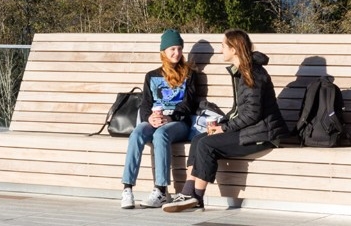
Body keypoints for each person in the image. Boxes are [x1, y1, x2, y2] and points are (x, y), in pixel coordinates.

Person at [163, 29, 286, 213]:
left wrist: (225, 128)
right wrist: (221, 124)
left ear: (234, 49)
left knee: (206, 145)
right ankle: (188, 192)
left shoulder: (252, 73)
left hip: (263, 134)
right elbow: (239, 110)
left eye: (223, 46)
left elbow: (253, 114)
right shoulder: (242, 71)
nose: (221, 50)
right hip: (250, 129)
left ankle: (197, 198)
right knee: (198, 139)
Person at [120, 29, 207, 209]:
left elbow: (188, 105)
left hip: (178, 122)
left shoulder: (189, 75)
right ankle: (127, 188)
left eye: (179, 49)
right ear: (164, 52)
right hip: (155, 119)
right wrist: (149, 117)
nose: (177, 53)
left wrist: (170, 117)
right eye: (172, 49)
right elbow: (145, 104)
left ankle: (161, 190)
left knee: (161, 135)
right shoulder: (151, 76)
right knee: (137, 133)